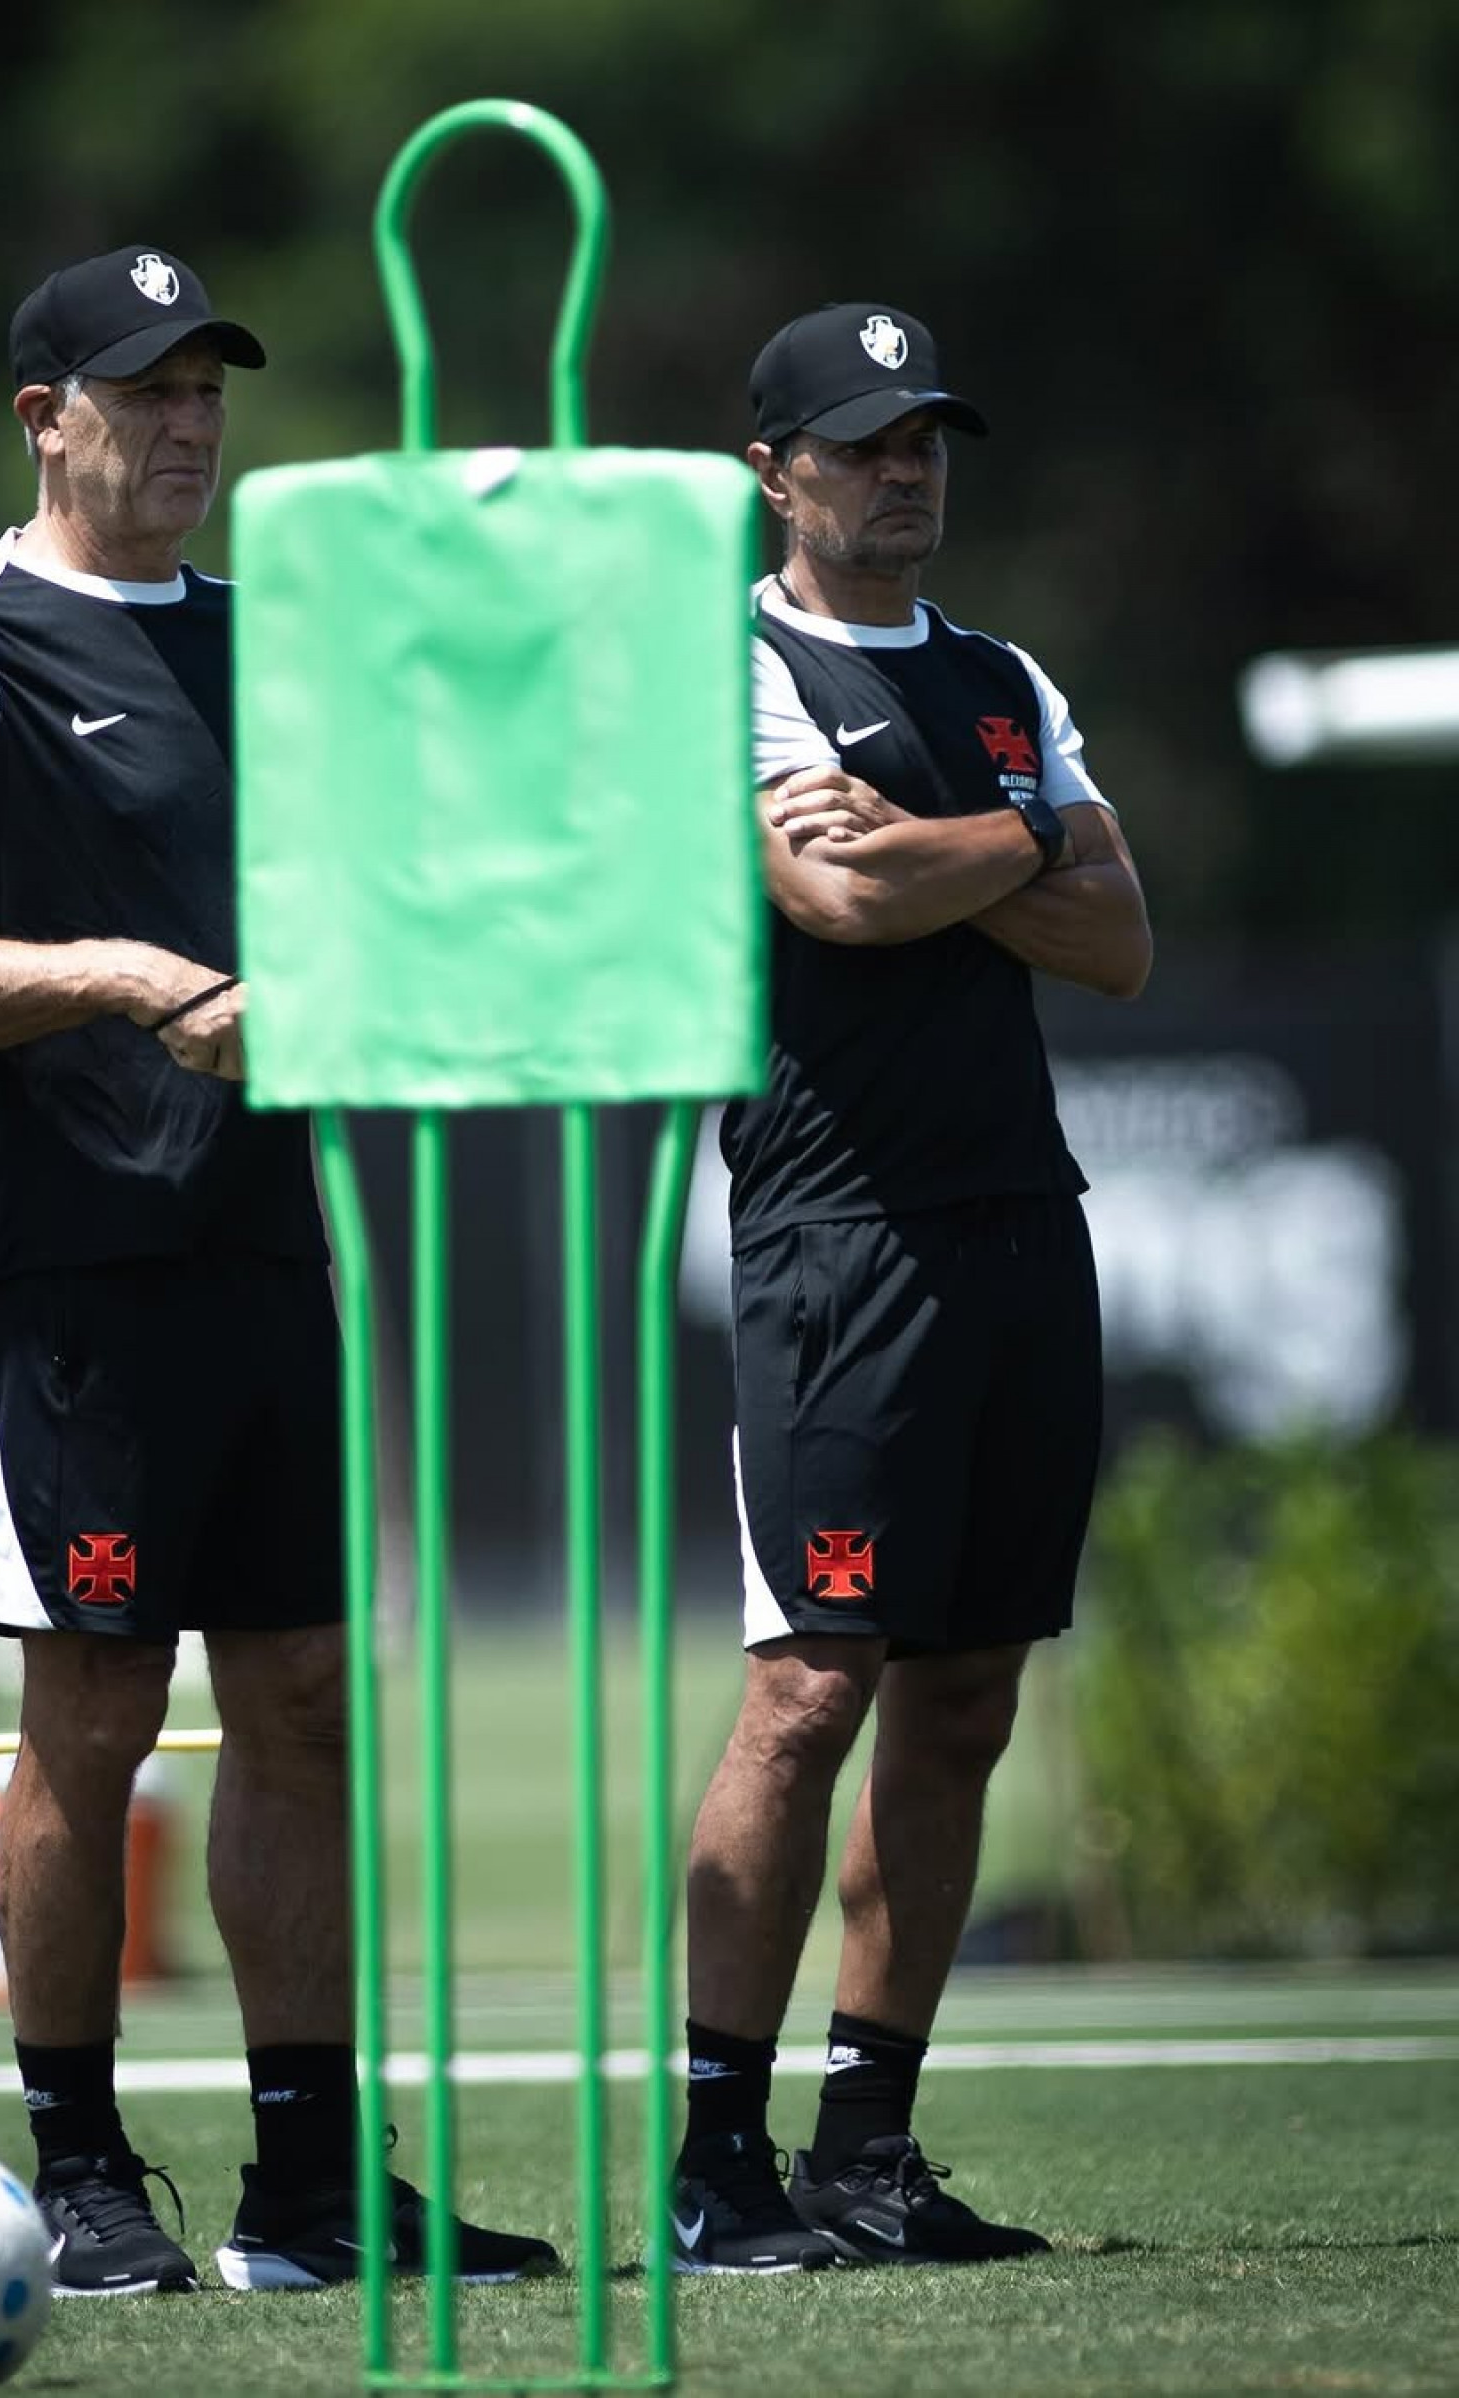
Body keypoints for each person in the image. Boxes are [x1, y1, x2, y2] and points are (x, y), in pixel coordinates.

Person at [0, 243, 556, 2297]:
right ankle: (78, 2172)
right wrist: (120, 979)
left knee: (307, 1702)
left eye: (209, 389)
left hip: (264, 1246)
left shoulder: (265, 639)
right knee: (92, 1717)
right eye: (143, 391)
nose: (189, 425)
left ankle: (312, 2192)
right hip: (75, 1271)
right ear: (42, 415)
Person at [669, 303, 1151, 2275]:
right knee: (809, 1687)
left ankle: (870, 2143)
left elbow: (1117, 935)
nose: (908, 467)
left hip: (1022, 1226)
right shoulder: (734, 670)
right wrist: (1022, 845)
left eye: (927, 434)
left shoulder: (1004, 675)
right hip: (833, 1232)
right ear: (777, 468)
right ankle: (720, 2156)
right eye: (865, 440)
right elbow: (835, 898)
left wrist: (998, 833)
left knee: (965, 1698)